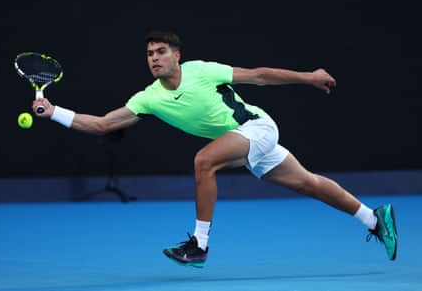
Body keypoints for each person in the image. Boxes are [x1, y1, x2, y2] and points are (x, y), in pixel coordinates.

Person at [32, 31, 397, 268]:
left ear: (177, 56)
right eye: (149, 54)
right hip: (246, 142)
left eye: (161, 52)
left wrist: (309, 77)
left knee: (203, 161)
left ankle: (199, 245)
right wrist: (54, 113)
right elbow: (102, 124)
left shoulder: (201, 70)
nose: (154, 58)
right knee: (309, 184)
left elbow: (259, 74)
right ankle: (374, 218)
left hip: (257, 127)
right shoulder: (148, 98)